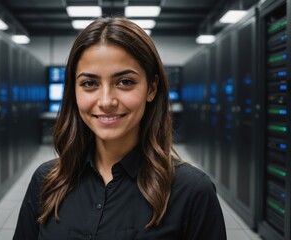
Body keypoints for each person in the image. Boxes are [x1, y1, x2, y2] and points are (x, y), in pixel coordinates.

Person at [13, 17, 226, 240]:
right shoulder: (46, 180)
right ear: (73, 92)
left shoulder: (192, 191)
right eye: (89, 83)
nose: (106, 101)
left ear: (151, 88)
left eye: (125, 81)